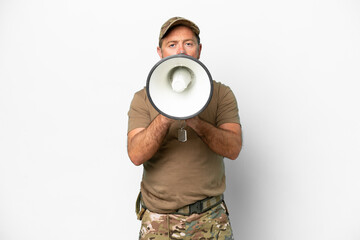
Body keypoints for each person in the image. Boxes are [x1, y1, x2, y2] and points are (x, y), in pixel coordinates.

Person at [127, 16, 242, 240]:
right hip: (160, 221)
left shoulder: (221, 94)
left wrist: (196, 120)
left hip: (211, 219)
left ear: (199, 50)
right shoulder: (142, 98)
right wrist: (166, 113)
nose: (181, 50)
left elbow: (234, 148)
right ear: (160, 53)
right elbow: (136, 154)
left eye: (188, 44)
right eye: (172, 44)